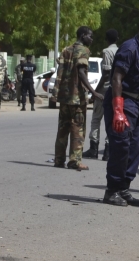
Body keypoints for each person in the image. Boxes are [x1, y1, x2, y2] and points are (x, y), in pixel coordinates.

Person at [103, 20, 139, 206]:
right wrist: (118, 110)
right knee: (121, 147)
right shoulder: (129, 49)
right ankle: (112, 190)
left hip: (135, 104)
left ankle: (123, 188)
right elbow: (117, 79)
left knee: (135, 148)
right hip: (123, 102)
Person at [54, 26, 103, 171]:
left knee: (63, 128)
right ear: (83, 36)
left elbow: (60, 71)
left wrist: (56, 92)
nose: (92, 39)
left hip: (64, 96)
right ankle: (75, 161)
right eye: (90, 36)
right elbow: (81, 72)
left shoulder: (66, 50)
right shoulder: (84, 51)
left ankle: (59, 159)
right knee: (78, 128)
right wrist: (93, 92)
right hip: (77, 97)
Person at [85, 29, 119, 159]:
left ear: (106, 39)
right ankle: (108, 151)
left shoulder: (107, 52)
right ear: (117, 39)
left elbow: (105, 74)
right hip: (116, 89)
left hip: (105, 89)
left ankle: (93, 149)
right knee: (110, 120)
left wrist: (95, 91)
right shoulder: (120, 51)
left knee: (96, 118)